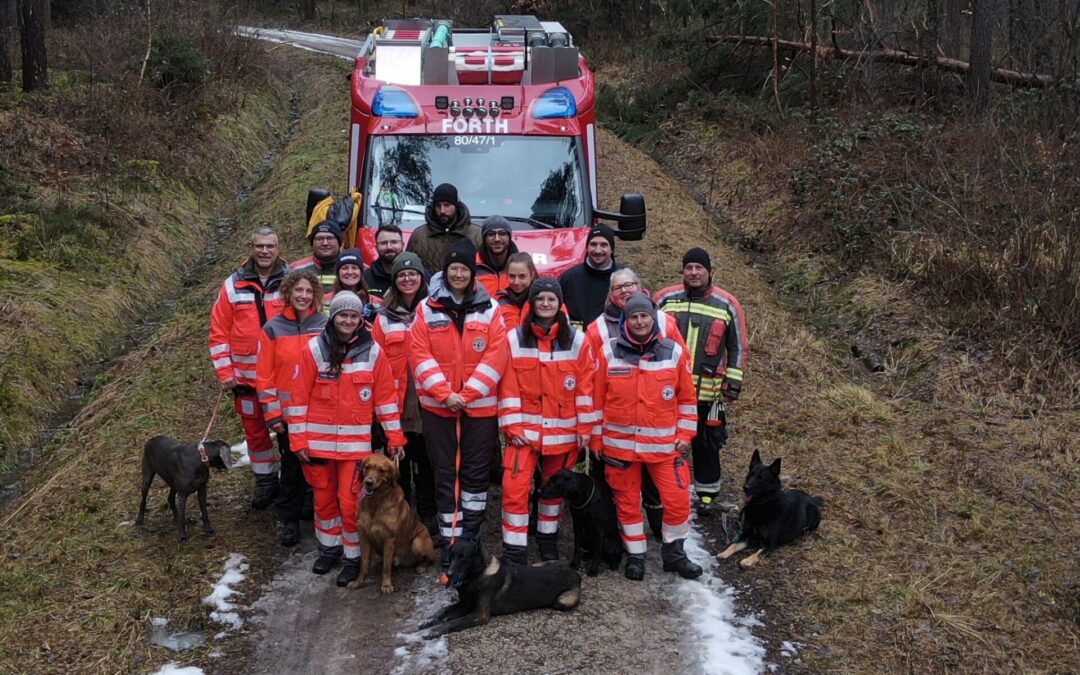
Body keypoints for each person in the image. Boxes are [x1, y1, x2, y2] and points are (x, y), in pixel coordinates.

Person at [286, 291, 406, 586]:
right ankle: (329, 550)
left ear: (360, 319)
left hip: (355, 450)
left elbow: (386, 400)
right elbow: (298, 398)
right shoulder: (314, 349)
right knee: (324, 500)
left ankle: (353, 558)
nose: (348, 321)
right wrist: (298, 441)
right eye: (343, 315)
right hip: (318, 446)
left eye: (354, 316)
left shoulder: (373, 352)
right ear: (333, 317)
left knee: (351, 503)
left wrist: (395, 437)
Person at [590, 292, 703, 581]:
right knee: (627, 503)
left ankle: (675, 555)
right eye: (634, 317)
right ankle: (636, 556)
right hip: (619, 448)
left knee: (678, 500)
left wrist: (686, 433)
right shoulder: (608, 352)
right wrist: (595, 439)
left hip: (663, 447)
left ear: (653, 319)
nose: (639, 321)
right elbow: (596, 400)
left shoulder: (673, 352)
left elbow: (687, 399)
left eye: (644, 316)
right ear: (625, 321)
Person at [409, 238, 507, 563]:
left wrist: (466, 395)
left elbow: (497, 356)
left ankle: (471, 540)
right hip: (439, 409)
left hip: (479, 409)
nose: (459, 274)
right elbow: (419, 354)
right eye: (454, 268)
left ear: (472, 273)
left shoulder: (491, 309)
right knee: (445, 474)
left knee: (476, 476)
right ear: (446, 271)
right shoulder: (426, 308)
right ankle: (451, 543)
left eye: (464, 269)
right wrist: (445, 395)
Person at [497, 277, 595, 564]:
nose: (545, 303)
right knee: (514, 490)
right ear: (532, 302)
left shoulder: (577, 340)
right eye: (540, 298)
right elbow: (507, 387)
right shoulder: (514, 339)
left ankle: (547, 539)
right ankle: (514, 549)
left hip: (564, 432)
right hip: (523, 432)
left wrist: (585, 428)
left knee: (554, 492)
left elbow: (585, 387)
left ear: (559, 303)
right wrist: (512, 426)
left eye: (551, 299)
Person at [654, 247, 748, 516]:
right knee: (665, 440)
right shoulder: (665, 299)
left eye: (699, 268)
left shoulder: (727, 304)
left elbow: (738, 346)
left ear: (710, 271)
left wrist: (733, 383)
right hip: (668, 391)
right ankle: (663, 489)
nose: (694, 273)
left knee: (707, 444)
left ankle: (707, 496)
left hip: (709, 393)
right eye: (689, 268)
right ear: (682, 270)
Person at [209, 226, 288, 509]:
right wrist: (225, 373)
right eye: (259, 246)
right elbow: (219, 333)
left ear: (278, 248)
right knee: (255, 434)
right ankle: (266, 483)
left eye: (270, 246)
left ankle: (293, 485)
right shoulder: (233, 285)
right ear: (251, 248)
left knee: (289, 433)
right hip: (246, 380)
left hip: (284, 378)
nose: (264, 251)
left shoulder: (292, 280)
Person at [255, 269, 327, 547]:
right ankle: (290, 520)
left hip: (320, 413)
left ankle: (324, 519)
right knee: (292, 469)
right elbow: (264, 376)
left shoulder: (324, 325)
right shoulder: (272, 329)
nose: (303, 295)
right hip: (288, 418)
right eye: (299, 290)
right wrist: (273, 414)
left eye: (309, 291)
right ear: (288, 292)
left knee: (321, 467)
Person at [372, 252, 437, 534]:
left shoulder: (434, 309)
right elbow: (375, 362)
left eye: (412, 273)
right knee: (399, 467)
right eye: (401, 275)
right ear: (394, 280)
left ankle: (428, 516)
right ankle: (401, 519)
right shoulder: (384, 318)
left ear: (421, 277)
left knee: (428, 464)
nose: (407, 278)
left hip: (428, 402)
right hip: (397, 407)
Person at [406, 183, 482, 275]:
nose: (442, 211)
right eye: (438, 206)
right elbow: (408, 268)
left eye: (447, 205)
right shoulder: (419, 236)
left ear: (456, 206)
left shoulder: (477, 235)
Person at [558, 224, 623, 328]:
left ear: (611, 249)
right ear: (587, 247)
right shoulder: (569, 279)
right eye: (593, 244)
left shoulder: (624, 279)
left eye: (604, 245)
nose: (598, 250)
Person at [291, 220, 342, 293]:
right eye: (319, 239)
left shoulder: (353, 269)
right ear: (312, 243)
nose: (325, 243)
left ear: (339, 242)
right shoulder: (296, 269)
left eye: (330, 238)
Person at [475, 216, 518, 296]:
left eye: (502, 234)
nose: (497, 239)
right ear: (484, 239)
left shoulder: (522, 265)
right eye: (491, 234)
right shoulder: (473, 265)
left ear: (509, 237)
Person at [495, 252, 537, 332]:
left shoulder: (542, 301)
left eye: (522, 276)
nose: (516, 282)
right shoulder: (499, 301)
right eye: (512, 276)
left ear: (532, 275)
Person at [364, 225, 404, 299]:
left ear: (402, 245)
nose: (389, 247)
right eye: (383, 243)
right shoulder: (365, 278)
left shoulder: (417, 276)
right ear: (376, 247)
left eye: (394, 242)